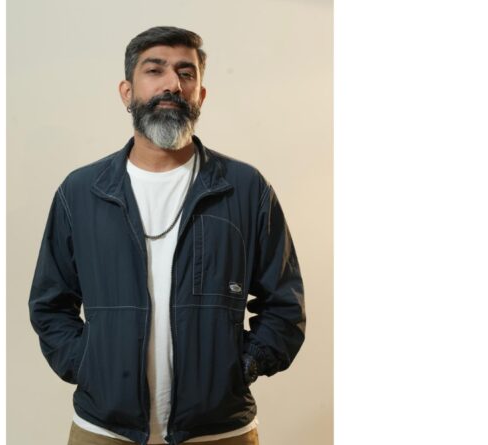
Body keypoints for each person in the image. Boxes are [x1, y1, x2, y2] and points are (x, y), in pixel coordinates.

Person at [29, 26, 305, 445]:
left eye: (185, 73)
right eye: (154, 70)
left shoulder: (246, 189)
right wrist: (88, 365)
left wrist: (243, 366)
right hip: (103, 429)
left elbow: (285, 304)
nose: (172, 84)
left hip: (220, 432)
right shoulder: (81, 192)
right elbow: (50, 305)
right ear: (126, 92)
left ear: (200, 95)